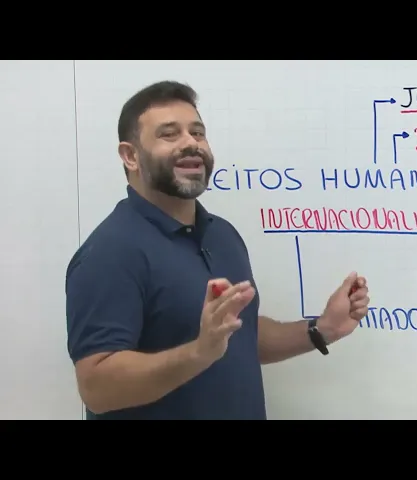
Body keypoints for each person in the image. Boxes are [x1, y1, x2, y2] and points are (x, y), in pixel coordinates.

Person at [64, 80, 370, 420]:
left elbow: (239, 333)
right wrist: (199, 353)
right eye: (169, 134)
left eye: (198, 133)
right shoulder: (110, 252)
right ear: (130, 156)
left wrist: (322, 329)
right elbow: (97, 388)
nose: (190, 143)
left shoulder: (222, 235)